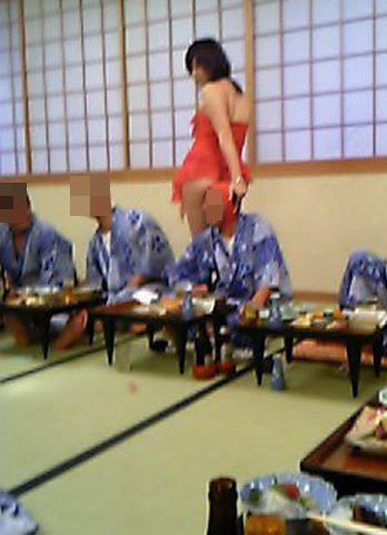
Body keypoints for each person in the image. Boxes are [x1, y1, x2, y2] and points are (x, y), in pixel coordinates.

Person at [54, 175, 175, 349]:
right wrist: (80, 292)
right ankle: (104, 322)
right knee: (87, 308)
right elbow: (95, 284)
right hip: (114, 298)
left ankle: (101, 323)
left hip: (146, 290)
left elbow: (159, 261)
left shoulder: (137, 220)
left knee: (141, 300)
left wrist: (136, 282)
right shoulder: (94, 244)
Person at [171, 182, 292, 346]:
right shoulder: (207, 239)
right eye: (205, 204)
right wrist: (192, 290)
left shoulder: (257, 227)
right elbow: (180, 273)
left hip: (260, 304)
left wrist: (252, 308)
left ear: (230, 207)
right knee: (183, 321)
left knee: (245, 327)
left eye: (212, 204)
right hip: (224, 304)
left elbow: (269, 277)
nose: (205, 209)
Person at [172, 38, 251, 237]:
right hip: (227, 176)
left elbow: (224, 136)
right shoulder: (242, 97)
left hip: (202, 172)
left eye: (195, 67)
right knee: (227, 243)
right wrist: (236, 178)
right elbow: (237, 139)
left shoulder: (211, 91)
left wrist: (237, 179)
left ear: (206, 63)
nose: (193, 74)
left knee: (202, 245)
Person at [0, 183, 75, 347]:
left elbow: (57, 281)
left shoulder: (46, 235)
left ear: (28, 208)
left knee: (55, 318)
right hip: (18, 303)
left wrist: (24, 296)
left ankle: (65, 331)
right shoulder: (3, 234)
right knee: (8, 312)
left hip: (49, 299)